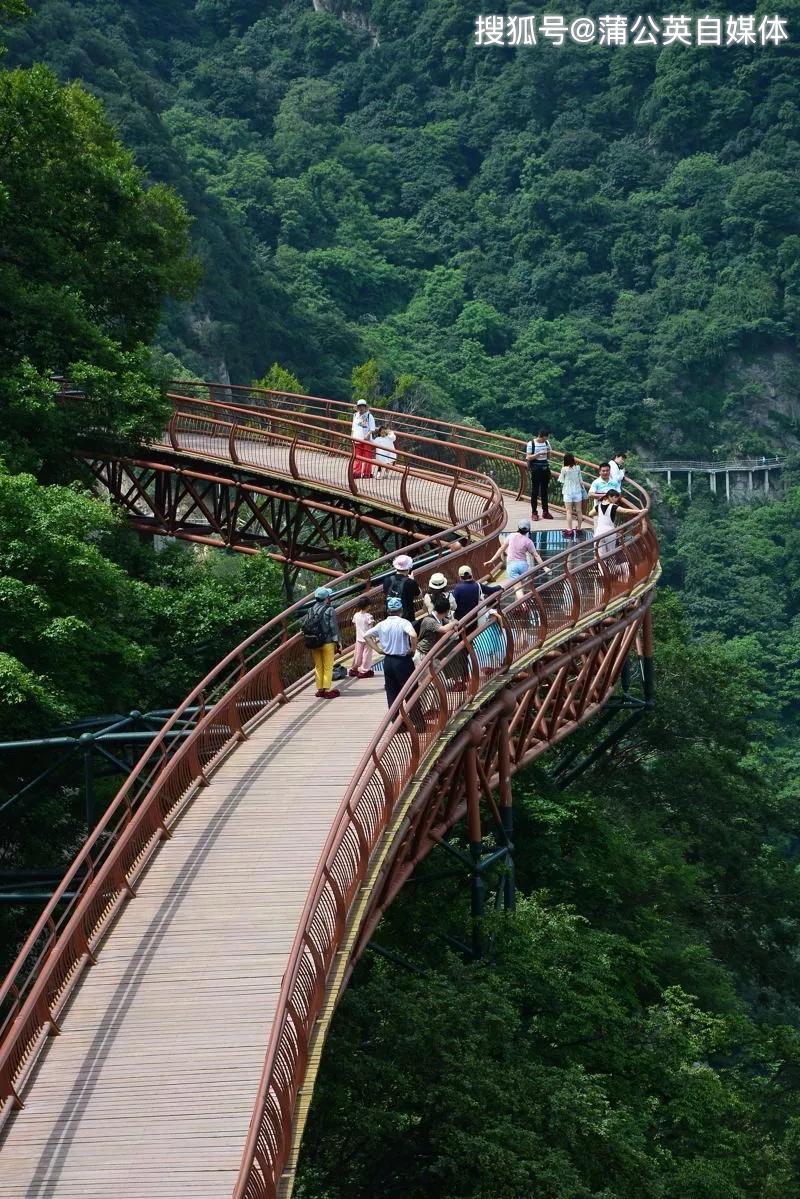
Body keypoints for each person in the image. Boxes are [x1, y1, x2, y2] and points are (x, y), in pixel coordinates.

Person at [364, 596, 418, 707]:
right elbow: (413, 634)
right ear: (401, 611)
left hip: (388, 661)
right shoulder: (404, 622)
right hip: (403, 661)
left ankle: (396, 720)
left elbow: (366, 636)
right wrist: (413, 649)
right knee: (411, 691)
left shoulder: (381, 624)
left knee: (392, 692)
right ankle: (415, 719)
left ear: (388, 611)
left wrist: (378, 650)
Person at [302, 586, 342, 699]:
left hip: (314, 642)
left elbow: (305, 625)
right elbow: (334, 627)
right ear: (327, 598)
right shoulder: (330, 610)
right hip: (327, 642)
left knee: (318, 666)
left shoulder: (310, 609)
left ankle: (320, 689)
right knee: (328, 666)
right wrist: (338, 642)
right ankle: (327, 690)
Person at [593, 490, 639, 559]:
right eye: (615, 497)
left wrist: (601, 514)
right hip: (610, 532)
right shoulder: (613, 506)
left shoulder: (599, 506)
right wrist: (639, 511)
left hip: (599, 531)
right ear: (609, 497)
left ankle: (602, 569)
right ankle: (610, 569)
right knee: (611, 553)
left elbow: (590, 513)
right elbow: (625, 511)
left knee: (600, 555)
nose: (616, 499)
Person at [414, 592, 457, 663]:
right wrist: (455, 622)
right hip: (422, 655)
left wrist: (453, 623)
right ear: (447, 611)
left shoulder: (440, 618)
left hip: (430, 654)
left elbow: (449, 622)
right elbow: (444, 629)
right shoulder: (430, 621)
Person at [381, 553, 420, 623]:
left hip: (390, 617)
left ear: (396, 567)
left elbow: (385, 593)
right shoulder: (410, 582)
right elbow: (419, 595)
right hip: (407, 619)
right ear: (408, 568)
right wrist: (413, 580)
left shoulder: (387, 580)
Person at [525, 429, 553, 521]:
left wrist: (548, 452)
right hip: (536, 469)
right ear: (542, 436)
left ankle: (545, 512)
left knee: (544, 490)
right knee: (535, 491)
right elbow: (528, 457)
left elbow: (549, 457)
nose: (547, 438)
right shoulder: (531, 443)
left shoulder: (547, 443)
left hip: (545, 468)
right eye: (546, 437)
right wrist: (538, 454)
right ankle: (534, 512)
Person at [557, 452, 585, 539]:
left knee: (568, 511)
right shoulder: (578, 468)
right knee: (579, 511)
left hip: (568, 492)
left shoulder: (564, 469)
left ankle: (569, 529)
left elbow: (561, 480)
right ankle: (579, 528)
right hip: (577, 491)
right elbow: (581, 480)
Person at [349, 595, 375, 679]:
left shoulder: (356, 615)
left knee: (358, 654)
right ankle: (364, 671)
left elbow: (354, 624)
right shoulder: (369, 616)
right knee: (367, 655)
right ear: (368, 606)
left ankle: (354, 669)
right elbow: (371, 628)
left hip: (359, 638)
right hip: (367, 639)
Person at [351, 399, 376, 479]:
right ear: (357, 407)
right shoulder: (355, 415)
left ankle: (366, 473)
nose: (361, 408)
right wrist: (352, 437)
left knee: (367, 457)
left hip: (366, 440)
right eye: (359, 406)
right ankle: (356, 472)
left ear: (365, 407)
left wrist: (367, 435)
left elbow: (372, 428)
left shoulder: (369, 416)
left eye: (362, 406)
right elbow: (353, 427)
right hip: (357, 438)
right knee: (357, 456)